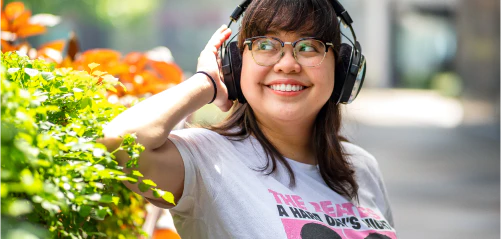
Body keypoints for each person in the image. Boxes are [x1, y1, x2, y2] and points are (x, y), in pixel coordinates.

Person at [99, 0, 397, 238]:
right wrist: (206, 82)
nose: (288, 64)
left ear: (342, 68)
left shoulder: (361, 167)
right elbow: (118, 141)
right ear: (236, 64)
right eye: (265, 45)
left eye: (308, 46)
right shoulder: (206, 161)